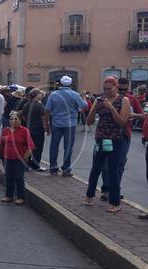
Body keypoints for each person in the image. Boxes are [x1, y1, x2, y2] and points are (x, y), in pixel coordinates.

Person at [84, 76, 131, 213]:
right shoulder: (100, 100)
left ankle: (115, 202)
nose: (106, 92)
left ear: (116, 87)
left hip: (116, 140)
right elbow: (89, 121)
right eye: (104, 89)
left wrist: (111, 108)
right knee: (96, 169)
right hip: (101, 139)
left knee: (113, 171)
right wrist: (95, 108)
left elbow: (122, 122)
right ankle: (89, 196)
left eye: (109, 89)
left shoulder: (124, 100)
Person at [99, 78, 143, 200]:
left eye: (125, 89)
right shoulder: (105, 99)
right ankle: (106, 189)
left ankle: (114, 189)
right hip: (107, 135)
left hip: (124, 135)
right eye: (120, 89)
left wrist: (132, 115)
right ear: (117, 87)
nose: (123, 92)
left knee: (120, 163)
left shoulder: (131, 99)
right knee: (106, 164)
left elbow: (142, 115)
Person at [44, 76, 86, 177]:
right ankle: (66, 169)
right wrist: (83, 96)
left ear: (60, 84)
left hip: (56, 123)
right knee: (68, 147)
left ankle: (53, 168)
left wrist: (47, 123)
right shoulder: (75, 95)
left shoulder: (54, 95)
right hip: (70, 124)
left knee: (54, 146)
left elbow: (47, 110)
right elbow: (84, 106)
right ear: (71, 84)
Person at [0, 112, 34, 205]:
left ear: (20, 120)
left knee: (19, 178)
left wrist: (25, 157)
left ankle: (21, 197)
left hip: (19, 158)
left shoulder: (24, 131)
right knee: (9, 177)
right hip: (7, 158)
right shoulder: (5, 130)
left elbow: (30, 146)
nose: (13, 121)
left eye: (16, 119)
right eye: (11, 119)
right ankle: (9, 195)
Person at [18, 88, 48, 171]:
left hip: (28, 128)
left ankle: (26, 164)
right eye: (39, 94)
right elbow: (43, 118)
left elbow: (21, 114)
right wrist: (46, 127)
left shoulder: (26, 104)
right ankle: (35, 165)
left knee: (28, 147)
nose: (41, 95)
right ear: (36, 95)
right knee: (38, 148)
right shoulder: (39, 105)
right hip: (38, 129)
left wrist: (27, 120)